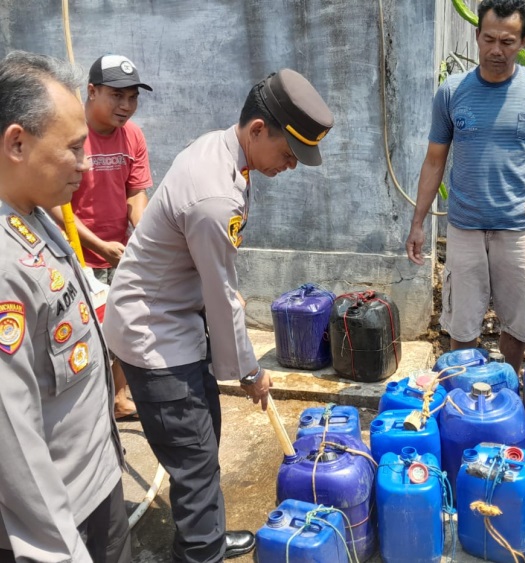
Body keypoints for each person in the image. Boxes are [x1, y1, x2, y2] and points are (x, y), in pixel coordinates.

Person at [103, 69, 334, 562]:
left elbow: (216, 284)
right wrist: (249, 372)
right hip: (155, 333)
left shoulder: (224, 152)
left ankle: (202, 533)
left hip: (175, 317)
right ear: (256, 131)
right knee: (193, 456)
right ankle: (202, 552)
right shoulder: (215, 196)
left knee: (202, 441)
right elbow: (222, 293)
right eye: (289, 154)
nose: (290, 166)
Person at [0, 51, 129, 562]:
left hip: (95, 482)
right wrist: (60, 551)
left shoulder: (35, 214)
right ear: (17, 142)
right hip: (60, 521)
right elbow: (12, 433)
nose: (87, 162)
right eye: (74, 149)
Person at [405, 0, 525, 375]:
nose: (497, 50)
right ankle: (463, 392)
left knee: (519, 324)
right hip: (464, 228)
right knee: (461, 325)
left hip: (520, 228)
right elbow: (434, 160)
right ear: (477, 35)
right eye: (489, 39)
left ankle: (508, 387)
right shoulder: (452, 91)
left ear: (524, 41)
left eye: (508, 42)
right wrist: (418, 223)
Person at [49, 54, 153, 420]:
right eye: (116, 96)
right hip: (72, 253)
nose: (126, 106)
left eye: (133, 97)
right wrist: (97, 246)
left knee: (124, 326)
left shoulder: (133, 136)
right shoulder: (69, 132)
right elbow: (54, 205)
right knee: (80, 337)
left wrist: (143, 235)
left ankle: (120, 398)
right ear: (91, 92)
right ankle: (84, 409)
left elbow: (136, 192)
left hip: (119, 252)